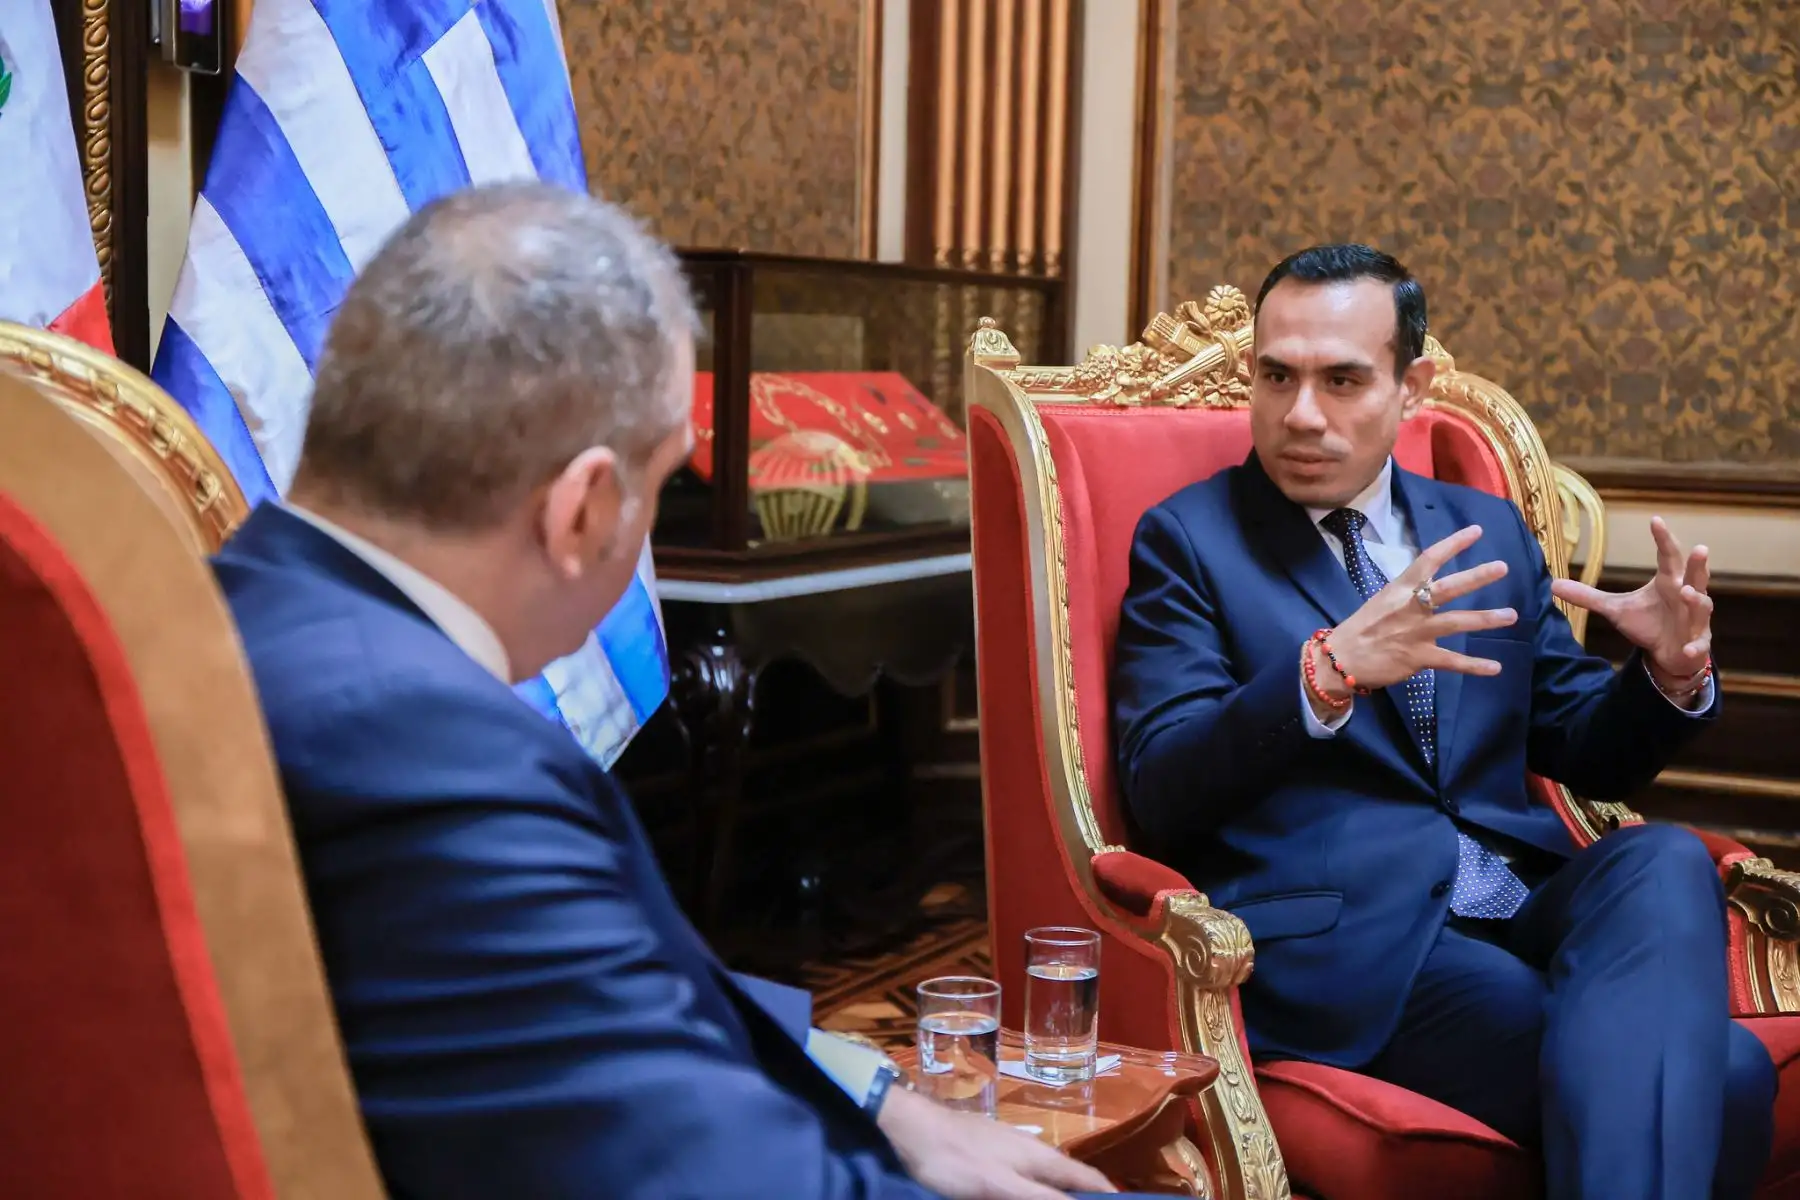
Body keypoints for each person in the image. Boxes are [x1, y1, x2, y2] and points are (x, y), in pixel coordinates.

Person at [213, 182, 1128, 1200]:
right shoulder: (433, 757)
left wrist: (872, 1090)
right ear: (586, 510)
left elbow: (562, 979)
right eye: (663, 487)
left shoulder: (242, 608)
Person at [1111, 244, 1776, 1198]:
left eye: (1342, 379)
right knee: (1733, 1074)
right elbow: (1161, 785)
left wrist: (1667, 672)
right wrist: (1327, 671)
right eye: (1275, 376)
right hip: (1356, 943)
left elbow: (1582, 745)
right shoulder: (1189, 541)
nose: (1301, 414)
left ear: (1411, 385)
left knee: (1661, 858)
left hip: (1517, 905)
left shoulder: (1485, 528)